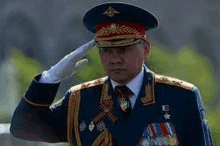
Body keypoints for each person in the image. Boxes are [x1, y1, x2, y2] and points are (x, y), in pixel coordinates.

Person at [10, 2, 213, 146]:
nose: (115, 59)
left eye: (123, 49)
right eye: (107, 51)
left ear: (146, 50)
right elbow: (22, 127)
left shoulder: (180, 97)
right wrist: (49, 79)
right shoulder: (81, 101)